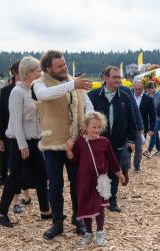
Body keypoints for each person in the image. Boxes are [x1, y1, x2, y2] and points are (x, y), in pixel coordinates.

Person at [32, 50, 93, 239]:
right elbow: (45, 95)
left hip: (75, 141)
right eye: (59, 66)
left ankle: (78, 220)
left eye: (64, 64)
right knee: (55, 185)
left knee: (78, 184)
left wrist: (89, 123)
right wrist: (72, 85)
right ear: (48, 68)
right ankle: (57, 223)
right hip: (52, 143)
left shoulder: (75, 82)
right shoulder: (39, 84)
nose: (64, 68)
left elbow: (87, 104)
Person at [0, 56, 51, 227]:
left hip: (35, 141)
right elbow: (15, 122)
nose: (40, 73)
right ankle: (1, 213)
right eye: (37, 71)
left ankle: (45, 211)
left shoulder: (32, 91)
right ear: (28, 73)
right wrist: (22, 145)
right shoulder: (17, 92)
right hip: (20, 143)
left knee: (42, 176)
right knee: (15, 179)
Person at [67, 112, 125, 246]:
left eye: (99, 127)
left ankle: (100, 232)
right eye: (94, 127)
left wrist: (119, 174)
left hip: (100, 180)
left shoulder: (104, 142)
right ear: (85, 127)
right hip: (84, 180)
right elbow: (75, 160)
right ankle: (88, 233)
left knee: (100, 207)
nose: (97, 130)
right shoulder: (80, 142)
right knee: (86, 205)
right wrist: (69, 151)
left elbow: (112, 160)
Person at [88, 66, 137, 212]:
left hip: (117, 143)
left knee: (115, 172)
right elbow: (85, 119)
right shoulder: (93, 95)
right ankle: (96, 199)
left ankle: (112, 200)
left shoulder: (124, 97)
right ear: (105, 78)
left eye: (119, 77)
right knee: (96, 172)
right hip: (96, 143)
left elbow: (131, 119)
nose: (118, 80)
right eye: (114, 77)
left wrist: (131, 140)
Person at [0, 61, 20, 186]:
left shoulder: (32, 89)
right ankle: (3, 177)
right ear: (14, 73)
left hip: (26, 130)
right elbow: (2, 116)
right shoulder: (5, 91)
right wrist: (0, 138)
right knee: (4, 153)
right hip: (9, 129)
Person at [131, 80, 155, 172]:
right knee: (126, 146)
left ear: (143, 89)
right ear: (133, 88)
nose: (137, 91)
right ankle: (125, 165)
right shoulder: (128, 96)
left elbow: (152, 115)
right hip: (128, 126)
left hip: (141, 127)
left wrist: (152, 128)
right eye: (136, 89)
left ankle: (137, 165)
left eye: (140, 89)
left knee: (139, 148)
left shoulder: (148, 99)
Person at [143, 82, 160, 158]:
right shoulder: (146, 95)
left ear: (154, 88)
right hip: (151, 118)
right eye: (148, 90)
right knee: (155, 134)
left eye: (150, 90)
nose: (149, 91)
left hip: (159, 117)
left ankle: (149, 151)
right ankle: (159, 151)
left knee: (153, 133)